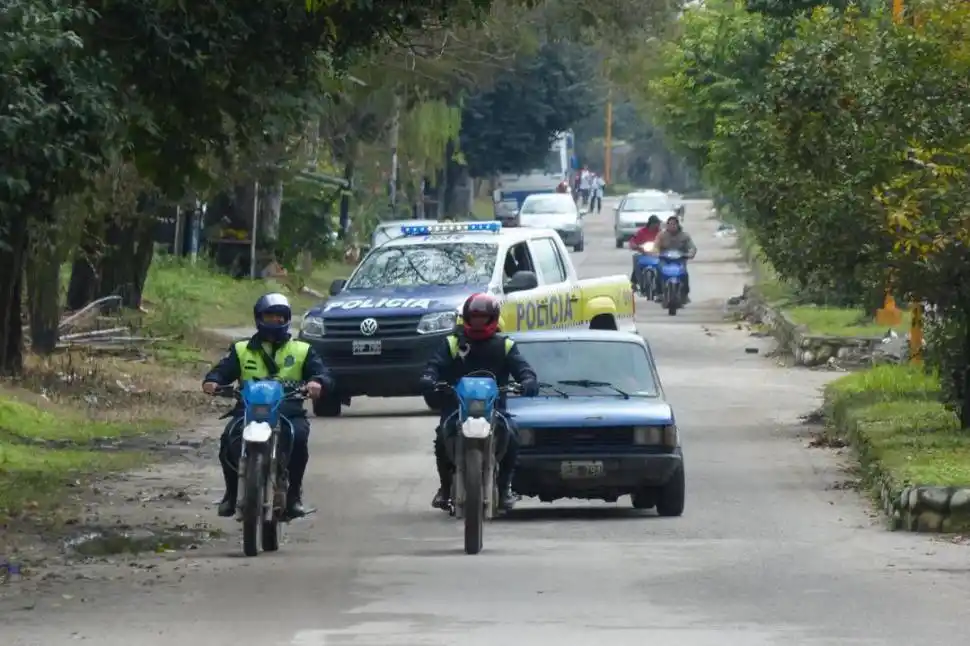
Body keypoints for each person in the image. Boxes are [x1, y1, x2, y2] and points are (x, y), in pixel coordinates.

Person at [202, 293, 335, 519]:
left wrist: (316, 383)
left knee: (299, 438)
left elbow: (322, 373)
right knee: (228, 439)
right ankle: (231, 494)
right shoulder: (241, 349)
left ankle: (293, 496)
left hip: (288, 410)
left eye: (279, 317)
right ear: (258, 318)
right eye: (269, 316)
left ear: (287, 319)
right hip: (248, 410)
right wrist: (212, 382)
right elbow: (221, 371)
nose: (274, 321)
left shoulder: (302, 349)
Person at [419, 293, 540, 511]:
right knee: (441, 437)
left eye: (482, 318)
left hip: (494, 408)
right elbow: (435, 365)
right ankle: (445, 489)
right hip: (457, 406)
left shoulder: (505, 345)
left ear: (492, 318)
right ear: (466, 317)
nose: (477, 322)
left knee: (512, 434)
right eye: (473, 318)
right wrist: (429, 377)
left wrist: (528, 380)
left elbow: (522, 368)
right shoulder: (453, 342)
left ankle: (504, 489)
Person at [656, 216, 698, 301]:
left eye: (674, 224)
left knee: (684, 274)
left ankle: (685, 294)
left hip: (680, 260)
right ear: (667, 225)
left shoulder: (685, 236)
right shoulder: (662, 235)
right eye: (670, 224)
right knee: (659, 271)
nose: (672, 226)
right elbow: (655, 246)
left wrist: (691, 253)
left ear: (678, 225)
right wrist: (655, 252)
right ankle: (659, 293)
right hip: (665, 260)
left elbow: (692, 247)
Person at [628, 215, 663, 291]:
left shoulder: (660, 232)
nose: (658, 225)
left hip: (656, 254)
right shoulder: (641, 231)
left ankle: (661, 287)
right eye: (656, 223)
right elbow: (633, 240)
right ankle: (633, 282)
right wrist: (634, 245)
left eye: (658, 223)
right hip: (644, 253)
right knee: (637, 260)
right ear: (651, 223)